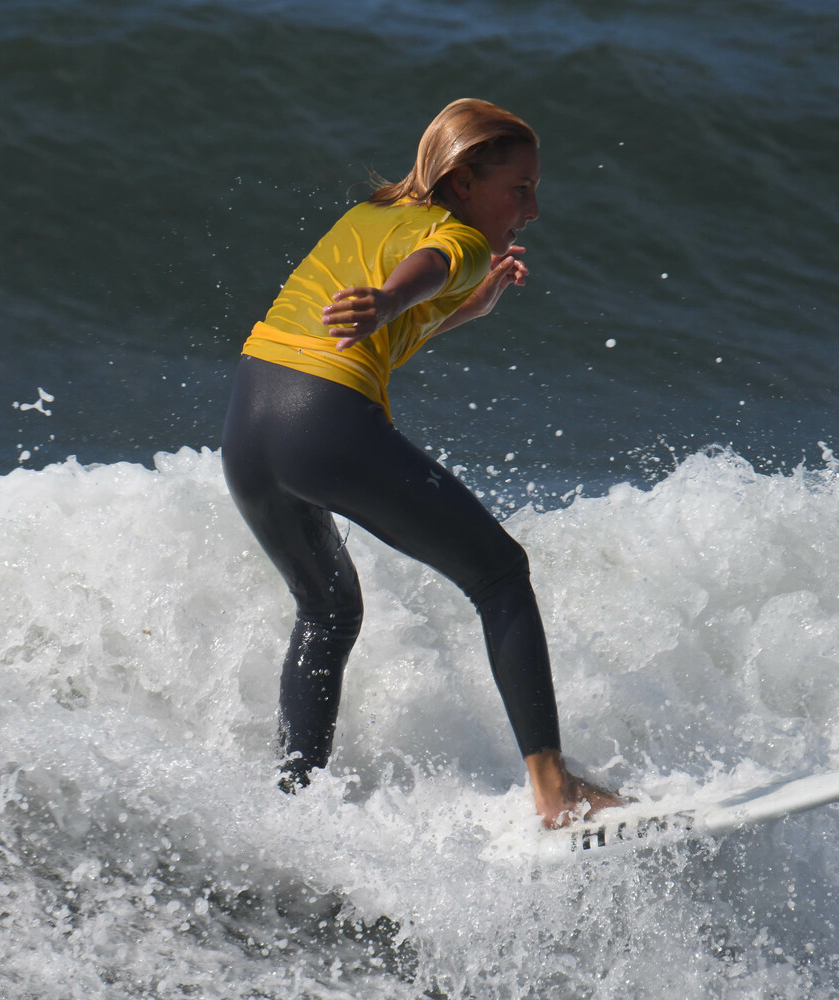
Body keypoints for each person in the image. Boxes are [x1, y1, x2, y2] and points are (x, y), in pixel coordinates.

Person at [221, 98, 620, 828]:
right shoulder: (459, 237)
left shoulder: (367, 217)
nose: (531, 209)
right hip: (324, 423)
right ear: (465, 183)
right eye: (520, 188)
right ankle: (552, 787)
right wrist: (388, 300)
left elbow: (420, 296)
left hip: (249, 429)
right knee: (500, 575)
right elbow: (427, 271)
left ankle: (291, 809)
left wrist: (471, 301)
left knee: (328, 609)